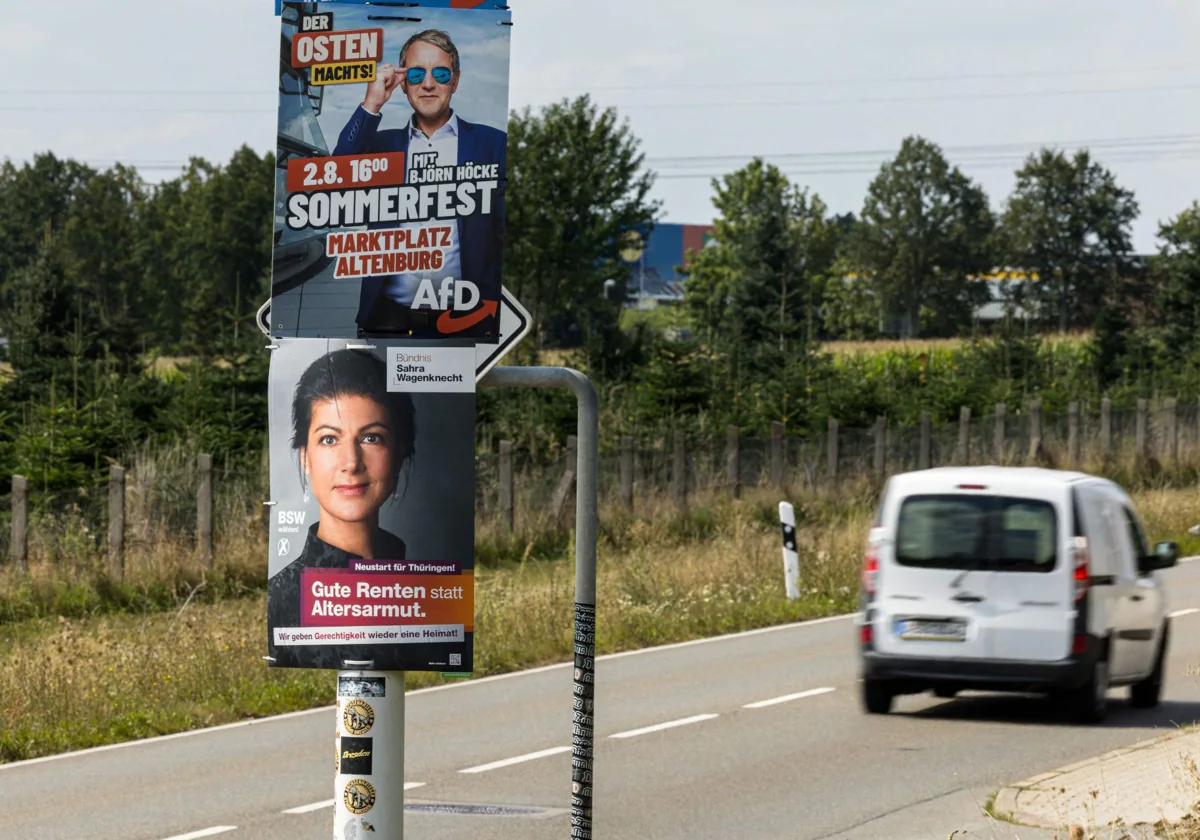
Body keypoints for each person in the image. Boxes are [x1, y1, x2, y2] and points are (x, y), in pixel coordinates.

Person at [331, 28, 507, 338]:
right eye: (416, 74)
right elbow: (337, 179)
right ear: (403, 83)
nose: (428, 84)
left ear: (456, 80)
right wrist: (372, 103)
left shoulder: (493, 145)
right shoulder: (381, 146)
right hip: (387, 319)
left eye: (440, 73)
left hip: (465, 320)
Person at [267, 347, 416, 668]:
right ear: (304, 457)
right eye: (329, 439)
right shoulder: (282, 597)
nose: (351, 463)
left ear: (400, 453)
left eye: (371, 438)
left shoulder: (425, 586)